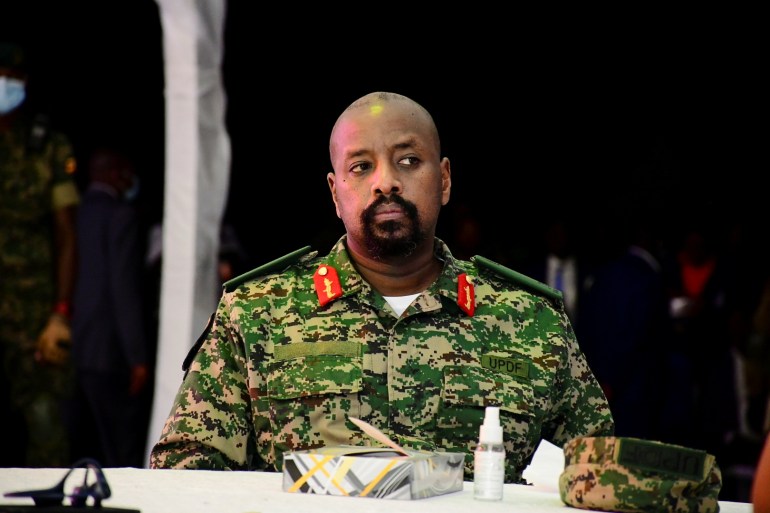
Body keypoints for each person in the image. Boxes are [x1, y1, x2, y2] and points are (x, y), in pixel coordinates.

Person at [149, 91, 614, 483]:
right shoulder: (255, 313)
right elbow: (187, 473)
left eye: (409, 161)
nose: (386, 182)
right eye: (361, 167)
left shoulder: (532, 322)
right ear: (335, 193)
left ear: (445, 179)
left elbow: (599, 477)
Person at [0, 41, 79, 467]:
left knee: (45, 420)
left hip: (31, 311)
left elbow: (67, 234)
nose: (3, 85)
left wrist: (60, 313)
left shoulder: (46, 146)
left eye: (10, 78)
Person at [68, 146, 151, 467]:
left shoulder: (77, 212)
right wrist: (138, 357)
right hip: (110, 351)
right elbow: (123, 289)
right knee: (122, 450)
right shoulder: (121, 216)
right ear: (117, 174)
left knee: (80, 442)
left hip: (77, 345)